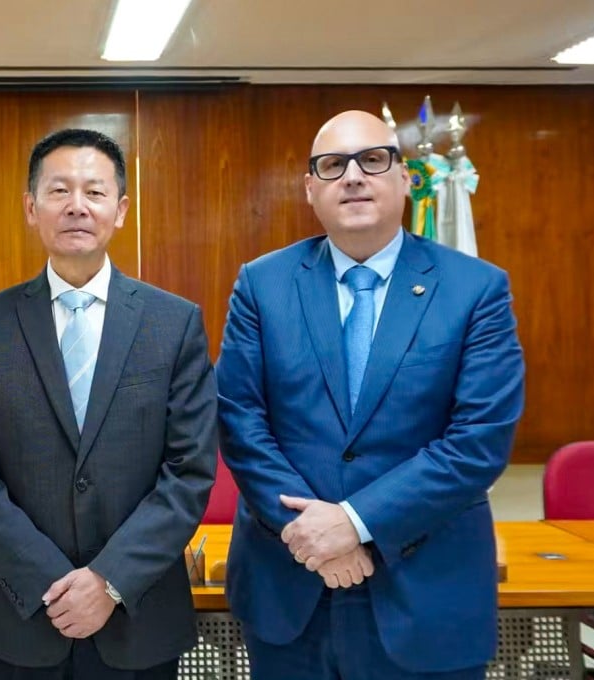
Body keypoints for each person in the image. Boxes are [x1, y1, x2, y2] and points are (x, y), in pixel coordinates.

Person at [216, 110, 525, 680]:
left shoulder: (476, 288)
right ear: (311, 190)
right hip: (290, 584)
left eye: (373, 159)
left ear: (406, 178)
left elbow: (477, 440)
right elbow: (239, 418)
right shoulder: (262, 283)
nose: (353, 176)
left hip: (426, 591)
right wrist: (312, 534)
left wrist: (355, 522)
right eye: (332, 166)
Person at [0, 128, 218, 679]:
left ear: (120, 210)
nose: (76, 206)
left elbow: (188, 471)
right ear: (31, 207)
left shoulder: (174, 322)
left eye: (94, 192)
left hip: (139, 616)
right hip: (21, 617)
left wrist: (109, 580)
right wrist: (50, 580)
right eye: (58, 190)